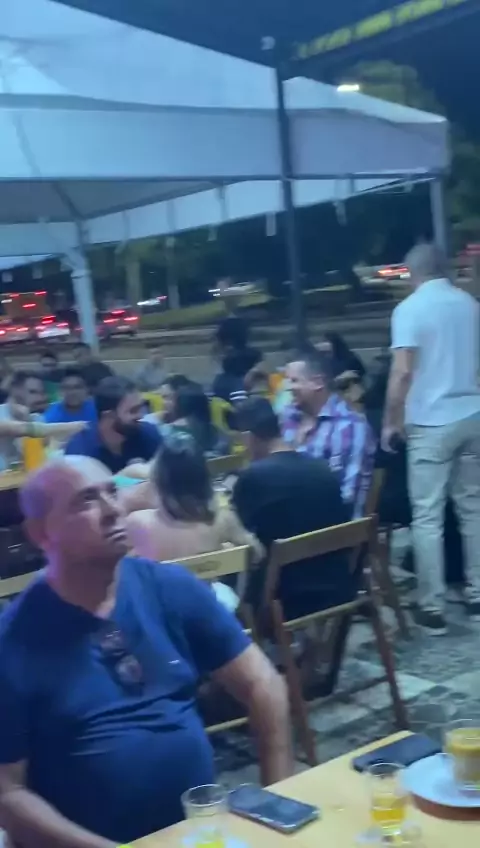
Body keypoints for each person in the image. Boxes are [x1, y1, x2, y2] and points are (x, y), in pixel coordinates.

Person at [0, 457, 291, 846]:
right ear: (40, 533)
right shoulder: (13, 641)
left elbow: (263, 683)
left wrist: (277, 801)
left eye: (112, 492)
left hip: (196, 833)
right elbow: (8, 795)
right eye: (86, 501)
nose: (112, 510)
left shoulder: (169, 586)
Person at [382, 243, 480, 634]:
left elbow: (402, 372)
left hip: (430, 422)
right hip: (472, 414)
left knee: (427, 516)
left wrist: (391, 421)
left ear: (412, 271)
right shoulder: (469, 304)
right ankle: (477, 595)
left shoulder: (409, 310)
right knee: (473, 509)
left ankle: (432, 605)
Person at [232, 398, 351, 619]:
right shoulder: (322, 468)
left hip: (283, 597)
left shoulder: (254, 477)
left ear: (249, 437)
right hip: (338, 586)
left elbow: (235, 532)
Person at [127, 431, 263, 567]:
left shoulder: (139, 523)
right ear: (204, 477)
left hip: (159, 581)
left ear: (158, 476)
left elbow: (135, 568)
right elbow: (257, 554)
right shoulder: (223, 519)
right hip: (208, 581)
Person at [282, 347, 376, 518]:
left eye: (294, 381)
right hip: (290, 516)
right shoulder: (288, 417)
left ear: (318, 383)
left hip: (333, 523)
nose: (288, 388)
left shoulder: (351, 426)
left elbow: (349, 494)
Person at [65, 376, 162, 474]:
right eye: (133, 411)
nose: (140, 415)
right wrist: (127, 473)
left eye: (141, 408)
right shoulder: (80, 450)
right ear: (109, 416)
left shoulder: (148, 433)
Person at [0, 372, 85, 470]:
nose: (40, 398)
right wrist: (69, 428)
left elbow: (44, 457)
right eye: (33, 392)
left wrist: (26, 418)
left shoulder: (37, 418)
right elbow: (19, 429)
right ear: (16, 391)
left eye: (41, 393)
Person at [166, 382, 230, 456]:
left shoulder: (169, 432)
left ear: (178, 405)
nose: (166, 403)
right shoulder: (218, 432)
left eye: (170, 399)